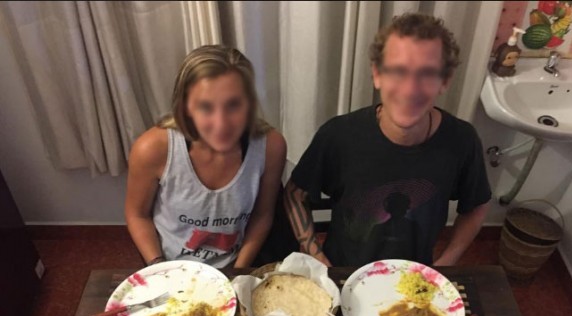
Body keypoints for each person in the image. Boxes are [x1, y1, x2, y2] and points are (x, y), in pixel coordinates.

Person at [284, 13, 491, 267]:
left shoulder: (462, 141)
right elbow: (294, 194)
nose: (409, 89)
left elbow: (476, 206)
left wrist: (447, 261)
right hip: (344, 273)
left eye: (426, 73)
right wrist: (314, 254)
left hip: (414, 280)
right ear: (377, 74)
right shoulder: (338, 136)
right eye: (397, 71)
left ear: (444, 81)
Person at [125, 45, 286, 268]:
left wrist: (237, 272)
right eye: (205, 107)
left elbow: (262, 215)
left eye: (233, 105)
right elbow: (138, 215)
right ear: (185, 107)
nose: (221, 125)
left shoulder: (271, 147)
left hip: (235, 263)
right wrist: (159, 268)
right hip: (169, 265)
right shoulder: (151, 149)